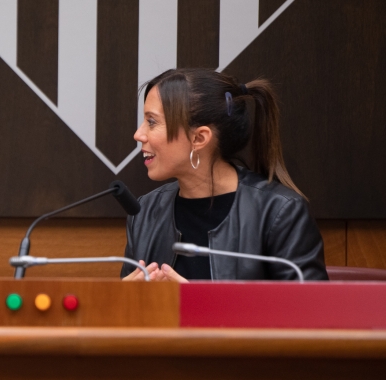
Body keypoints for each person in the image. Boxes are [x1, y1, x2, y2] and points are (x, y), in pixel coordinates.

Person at [121, 68, 328, 282]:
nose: (139, 134)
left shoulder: (280, 212)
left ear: (199, 138)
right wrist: (123, 301)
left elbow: (311, 314)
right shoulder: (144, 213)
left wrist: (202, 304)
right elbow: (128, 313)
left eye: (152, 122)